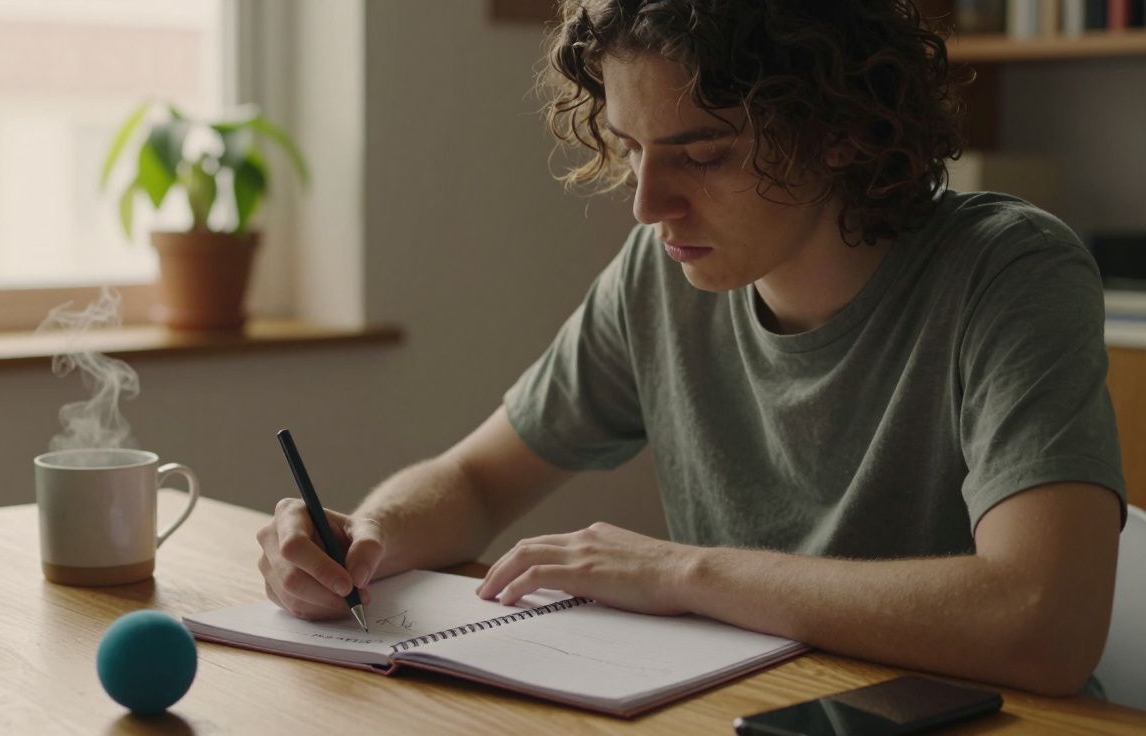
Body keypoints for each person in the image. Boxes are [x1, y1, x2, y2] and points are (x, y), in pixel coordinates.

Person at [257, 0, 1125, 696]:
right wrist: (365, 536)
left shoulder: (1010, 272)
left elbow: (1042, 621)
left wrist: (681, 573)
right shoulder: (659, 274)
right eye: (631, 150)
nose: (645, 205)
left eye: (701, 155)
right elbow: (479, 480)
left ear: (840, 132)